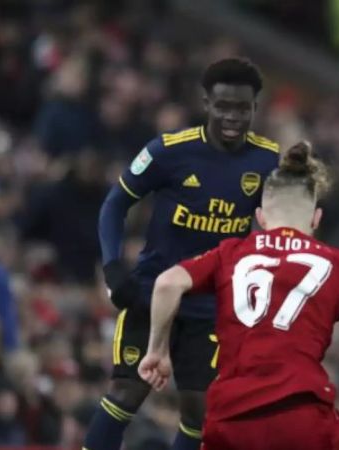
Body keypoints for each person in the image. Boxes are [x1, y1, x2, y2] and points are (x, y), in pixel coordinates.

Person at [138, 142, 339, 450]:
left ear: (260, 217)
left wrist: (157, 351)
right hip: (301, 416)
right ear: (316, 219)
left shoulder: (231, 252)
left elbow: (166, 284)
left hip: (229, 419)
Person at [85, 57, 280, 450]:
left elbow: (283, 224)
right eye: (223, 106)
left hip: (212, 305)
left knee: (201, 410)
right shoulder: (169, 151)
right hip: (152, 295)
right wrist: (113, 267)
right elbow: (114, 204)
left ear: (255, 108)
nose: (232, 117)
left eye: (242, 108)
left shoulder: (269, 160)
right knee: (127, 392)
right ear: (206, 103)